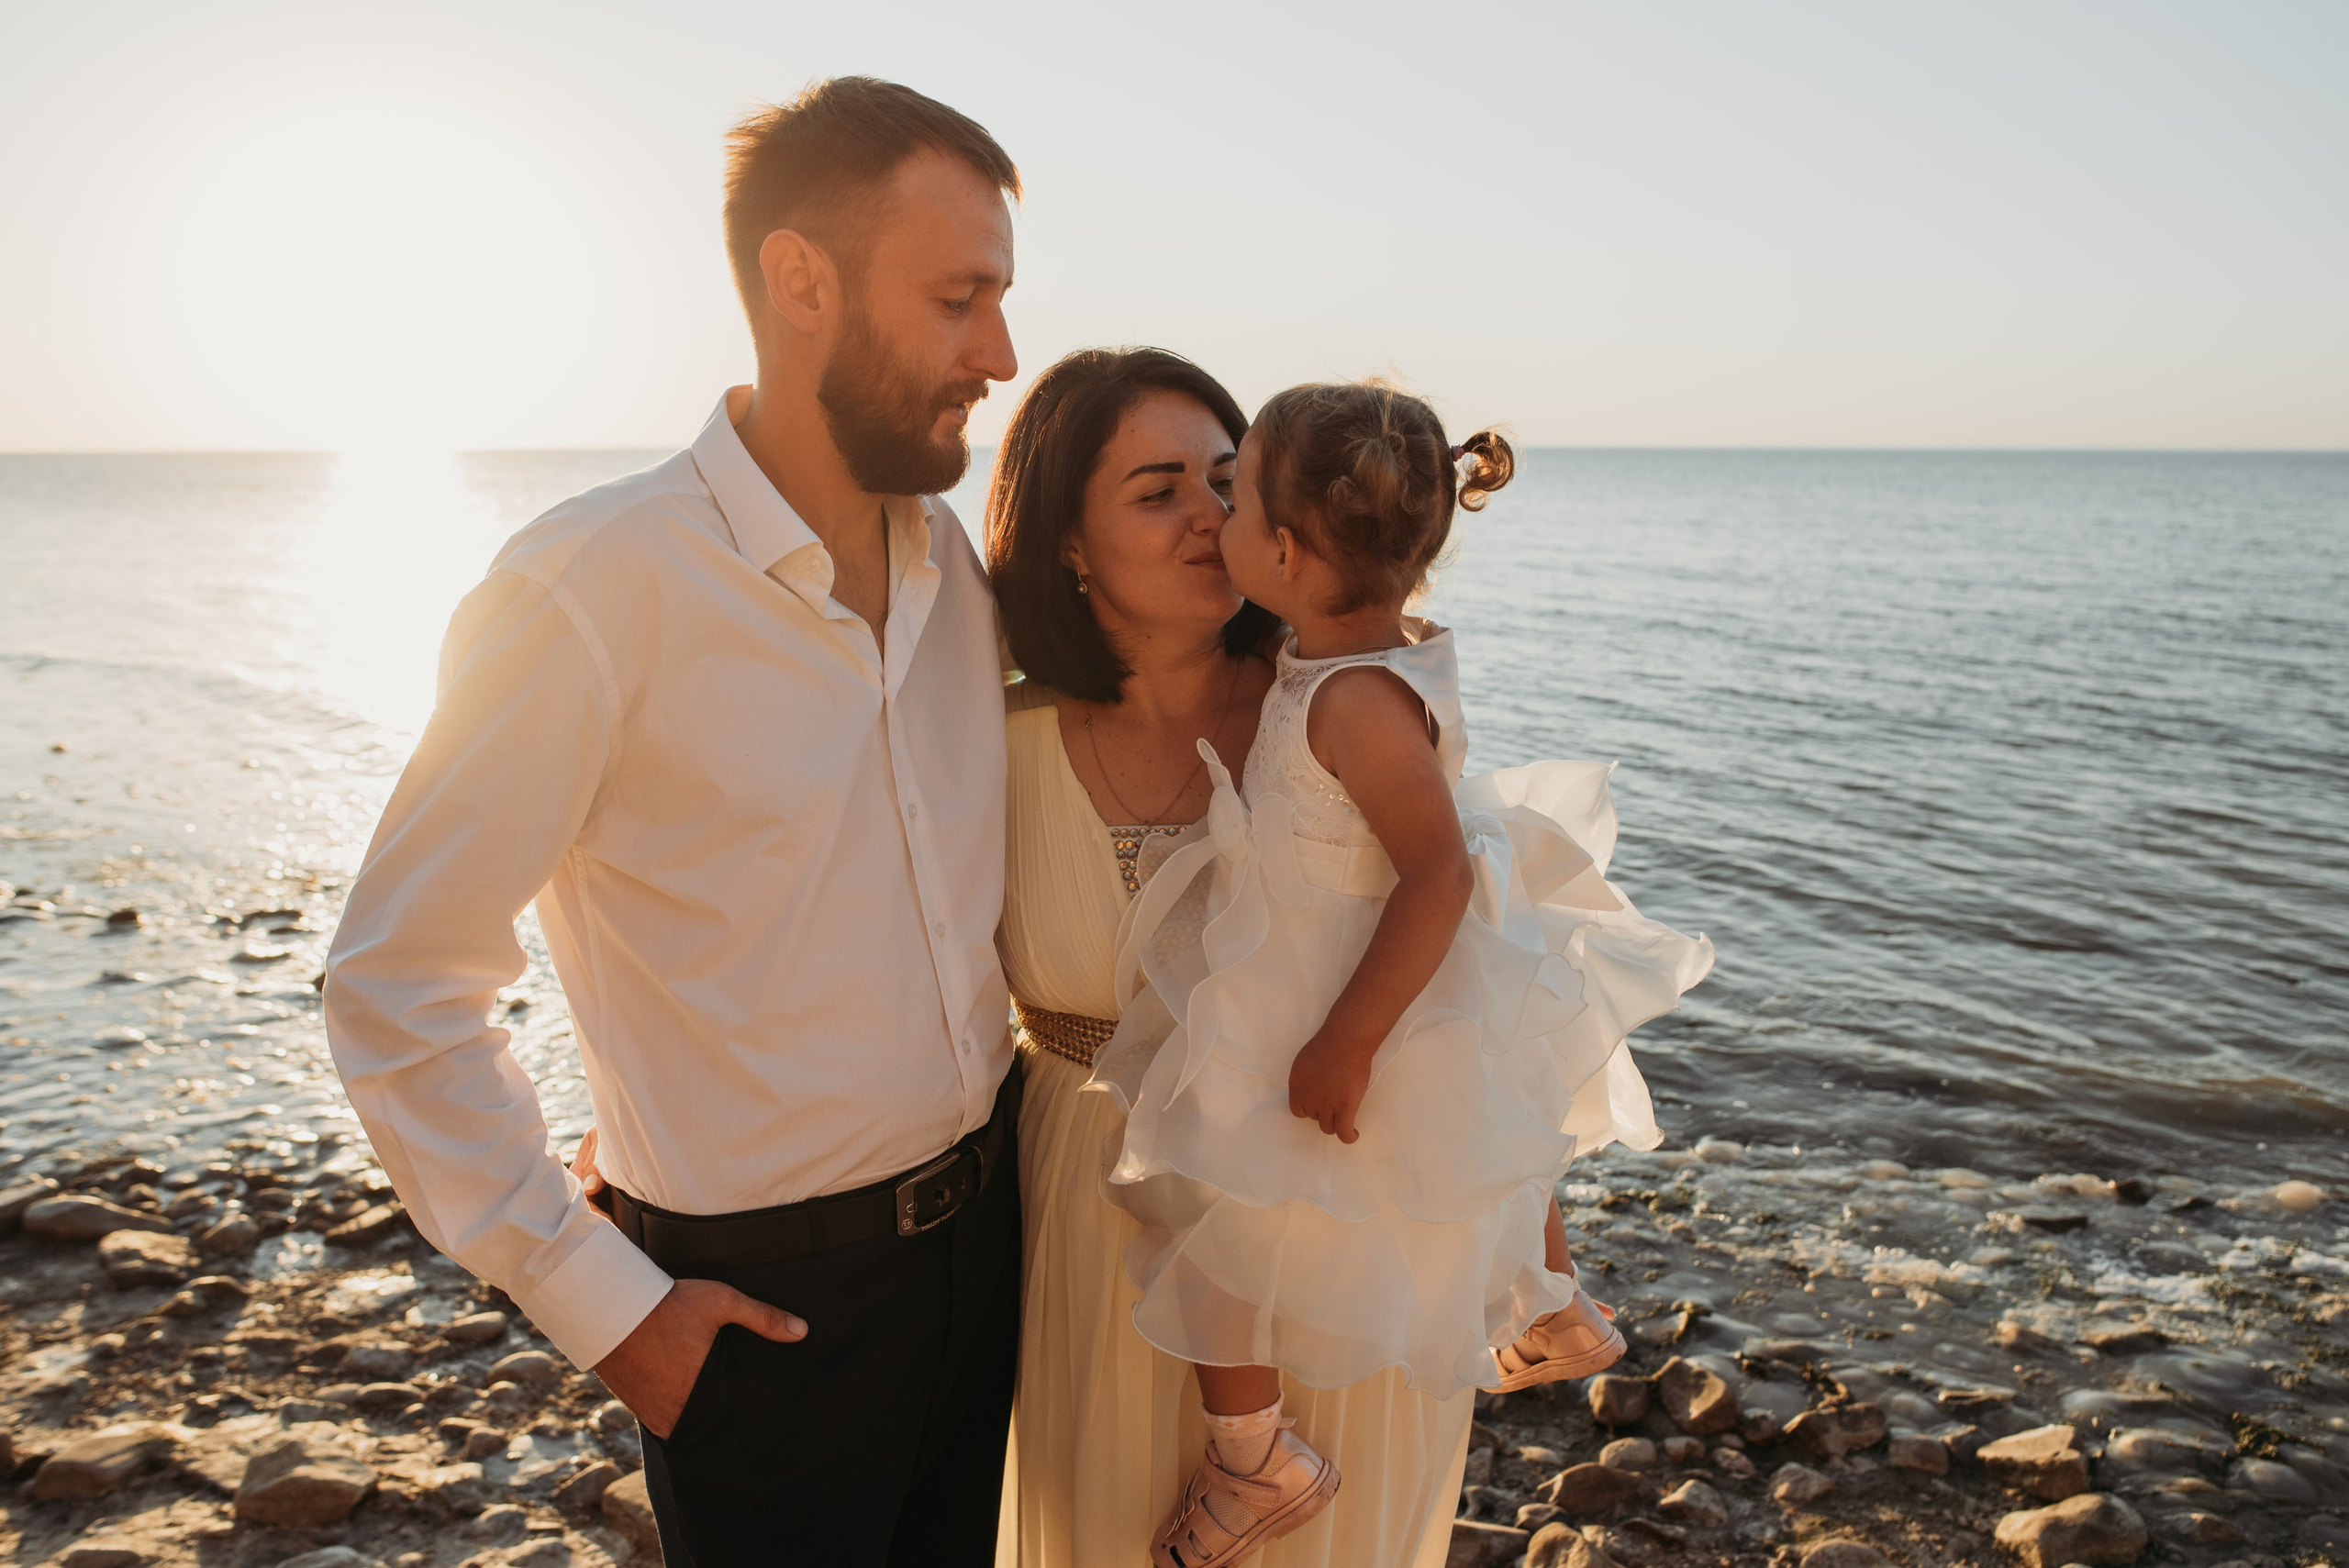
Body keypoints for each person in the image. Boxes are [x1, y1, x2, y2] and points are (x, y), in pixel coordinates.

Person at [322, 78, 1025, 1566]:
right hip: (773, 1326)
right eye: (960, 297)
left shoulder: (959, 571)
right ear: (800, 282)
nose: (1002, 354)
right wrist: (608, 1306)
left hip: (997, 1248)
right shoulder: (586, 591)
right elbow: (395, 987)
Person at [1087, 381, 1716, 1566]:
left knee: (1203, 1204)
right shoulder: (1345, 646)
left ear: (1281, 550)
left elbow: (1431, 873)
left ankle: (1253, 1456)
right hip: (1339, 947)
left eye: (1231, 494)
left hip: (1333, 981)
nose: (1211, 516)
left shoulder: (1358, 700)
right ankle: (1553, 1302)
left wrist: (1349, 1038)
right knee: (1488, 1124)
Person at [982, 347, 1487, 1568]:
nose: (1210, 516)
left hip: (1320, 1215)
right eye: (1159, 492)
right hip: (1085, 1217)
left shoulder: (1334, 710)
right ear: (1068, 538)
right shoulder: (985, 732)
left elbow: (1471, 934)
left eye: (1225, 479)